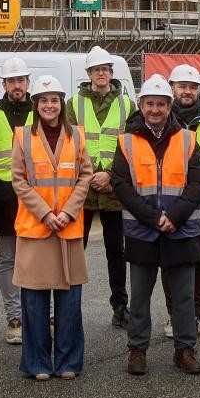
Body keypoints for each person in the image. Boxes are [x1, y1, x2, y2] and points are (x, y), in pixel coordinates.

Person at [112, 74, 200, 376]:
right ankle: (137, 350)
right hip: (143, 230)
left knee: (182, 296)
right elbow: (120, 184)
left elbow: (198, 183)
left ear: (170, 107)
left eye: (161, 104)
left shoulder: (187, 139)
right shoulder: (126, 141)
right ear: (141, 105)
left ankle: (185, 349)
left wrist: (175, 216)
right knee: (140, 296)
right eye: (149, 104)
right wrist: (153, 218)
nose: (155, 109)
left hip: (180, 230)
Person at [11, 75, 92, 380]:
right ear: (36, 105)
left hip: (68, 229)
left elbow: (85, 176)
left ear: (62, 104)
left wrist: (68, 213)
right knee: (34, 302)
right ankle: (38, 363)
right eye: (43, 100)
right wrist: (46, 214)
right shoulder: (22, 137)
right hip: (36, 228)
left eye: (54, 100)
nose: (49, 105)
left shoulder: (78, 136)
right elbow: (18, 180)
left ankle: (69, 361)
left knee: (70, 301)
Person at [67, 45, 135, 329]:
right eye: (96, 70)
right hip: (83, 188)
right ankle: (68, 306)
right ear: (89, 74)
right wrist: (91, 175)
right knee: (74, 249)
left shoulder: (128, 104)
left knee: (116, 251)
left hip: (112, 188)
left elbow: (131, 147)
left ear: (111, 73)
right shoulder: (73, 104)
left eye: (105, 70)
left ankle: (120, 306)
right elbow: (69, 146)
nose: (101, 74)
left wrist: (109, 175)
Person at [161, 64, 200, 338]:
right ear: (172, 88)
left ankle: (198, 315)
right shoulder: (161, 117)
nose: (187, 91)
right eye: (182, 86)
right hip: (169, 203)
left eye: (192, 87)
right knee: (170, 260)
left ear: (198, 90)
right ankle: (175, 317)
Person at [0, 57, 32, 346]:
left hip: (36, 198)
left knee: (37, 259)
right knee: (8, 260)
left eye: (21, 80)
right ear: (4, 84)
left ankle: (41, 316)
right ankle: (14, 319)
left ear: (28, 82)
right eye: (12, 80)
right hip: (4, 200)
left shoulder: (40, 112)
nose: (17, 85)